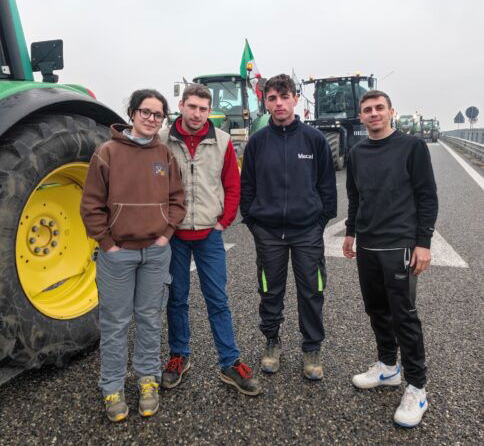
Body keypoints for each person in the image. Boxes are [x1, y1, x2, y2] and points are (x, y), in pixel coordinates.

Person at [80, 89, 186, 422]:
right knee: (114, 324)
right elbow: (91, 205)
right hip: (118, 255)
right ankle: (111, 386)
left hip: (155, 254)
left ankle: (147, 379)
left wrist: (165, 235)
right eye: (146, 112)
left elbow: (177, 200)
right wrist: (107, 243)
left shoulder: (165, 156)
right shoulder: (107, 152)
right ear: (132, 113)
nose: (152, 119)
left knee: (150, 319)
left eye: (158, 115)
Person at [342, 90, 438, 428]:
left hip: (400, 244)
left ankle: (417, 386)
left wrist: (423, 243)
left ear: (391, 112)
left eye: (379, 108)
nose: (373, 114)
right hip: (367, 244)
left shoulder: (412, 147)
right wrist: (351, 232)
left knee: (404, 315)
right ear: (361, 116)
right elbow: (355, 196)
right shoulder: (356, 152)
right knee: (376, 309)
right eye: (367, 110)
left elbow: (427, 195)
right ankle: (387, 367)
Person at [159, 84, 261, 396]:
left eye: (203, 108)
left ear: (209, 110)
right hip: (174, 235)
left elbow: (233, 185)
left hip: (209, 235)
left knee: (218, 299)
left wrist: (223, 222)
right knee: (176, 298)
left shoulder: (223, 141)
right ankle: (179, 356)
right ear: (181, 105)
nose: (197, 114)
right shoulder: (161, 140)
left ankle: (230, 362)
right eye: (192, 107)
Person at [240, 74, 337, 380]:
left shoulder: (315, 140)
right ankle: (272, 342)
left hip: (307, 231)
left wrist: (320, 221)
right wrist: (255, 223)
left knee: (312, 291)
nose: (279, 104)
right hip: (269, 233)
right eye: (272, 98)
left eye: (284, 97)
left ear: (296, 99)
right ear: (265, 102)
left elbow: (327, 186)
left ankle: (312, 349)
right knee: (270, 291)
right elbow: (247, 187)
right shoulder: (257, 142)